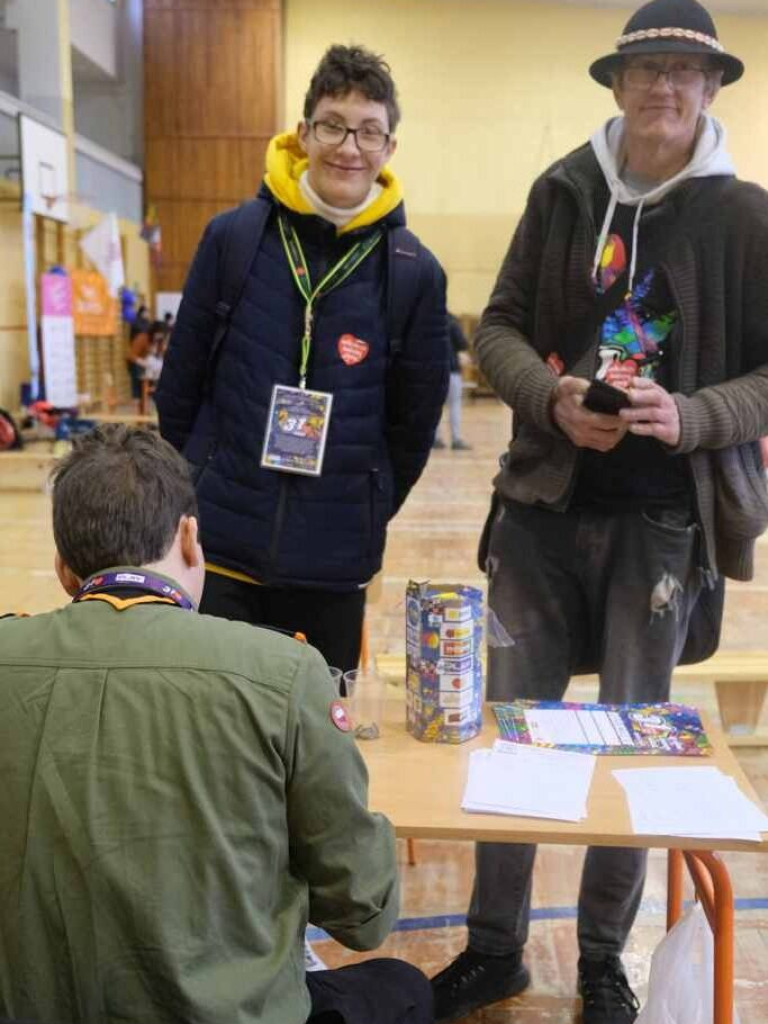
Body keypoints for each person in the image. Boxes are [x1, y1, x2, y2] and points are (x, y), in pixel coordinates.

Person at [431, 1, 768, 1022]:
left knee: (634, 744)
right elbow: (497, 330)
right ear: (616, 85)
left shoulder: (746, 216)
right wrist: (548, 395)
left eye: (684, 72)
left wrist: (696, 413)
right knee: (511, 737)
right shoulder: (563, 189)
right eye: (647, 69)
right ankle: (495, 948)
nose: (664, 87)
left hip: (663, 526)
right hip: (538, 507)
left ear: (711, 89)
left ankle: (605, 957)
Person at [0, 424, 432, 1024]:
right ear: (190, 537)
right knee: (402, 986)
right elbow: (364, 913)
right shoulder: (282, 671)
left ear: (64, 567)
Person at [156, 45, 449, 674]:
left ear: (390, 148)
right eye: (334, 125)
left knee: (316, 743)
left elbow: (413, 426)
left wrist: (367, 499)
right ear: (303, 134)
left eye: (370, 131)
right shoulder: (233, 239)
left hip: (336, 562)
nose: (350, 147)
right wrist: (200, 481)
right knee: (213, 735)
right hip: (221, 548)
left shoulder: (413, 272)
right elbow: (179, 387)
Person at [432, 314, 472, 451]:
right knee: (454, 406)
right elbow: (462, 344)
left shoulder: (427, 320)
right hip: (452, 370)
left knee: (434, 406)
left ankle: (435, 439)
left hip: (433, 371)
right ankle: (456, 439)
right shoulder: (452, 321)